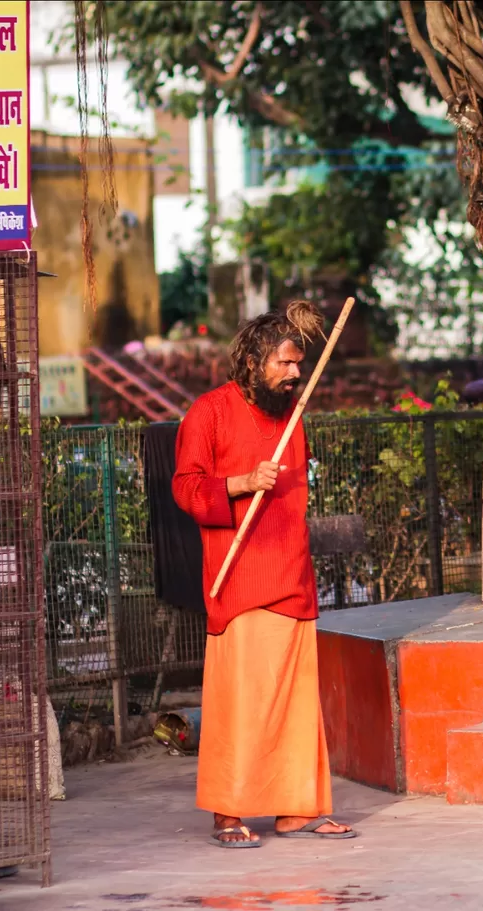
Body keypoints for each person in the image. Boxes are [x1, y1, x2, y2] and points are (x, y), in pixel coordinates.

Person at [172, 303, 356, 848]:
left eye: (299, 364)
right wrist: (240, 483)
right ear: (254, 360)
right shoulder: (208, 412)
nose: (295, 373)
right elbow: (185, 487)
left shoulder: (292, 415)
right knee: (243, 701)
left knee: (296, 703)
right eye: (285, 363)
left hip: (290, 573)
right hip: (239, 577)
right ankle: (229, 812)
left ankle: (297, 808)